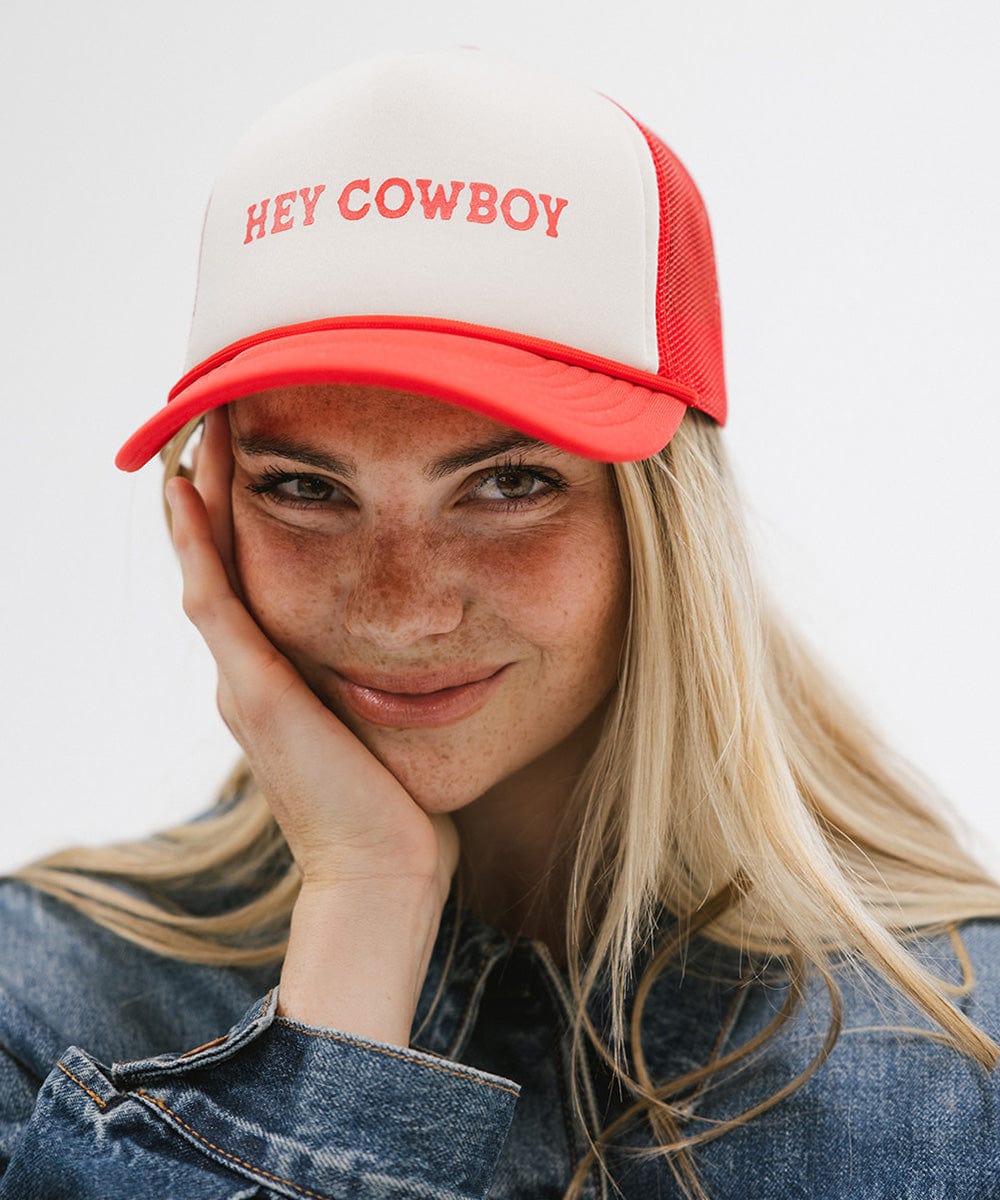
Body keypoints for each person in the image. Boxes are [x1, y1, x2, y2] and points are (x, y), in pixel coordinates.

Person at [1, 47, 998, 1200]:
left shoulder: (955, 1073)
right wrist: (361, 907)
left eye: (508, 485)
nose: (401, 610)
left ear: (663, 524)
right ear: (210, 504)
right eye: (305, 488)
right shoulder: (42, 1011)